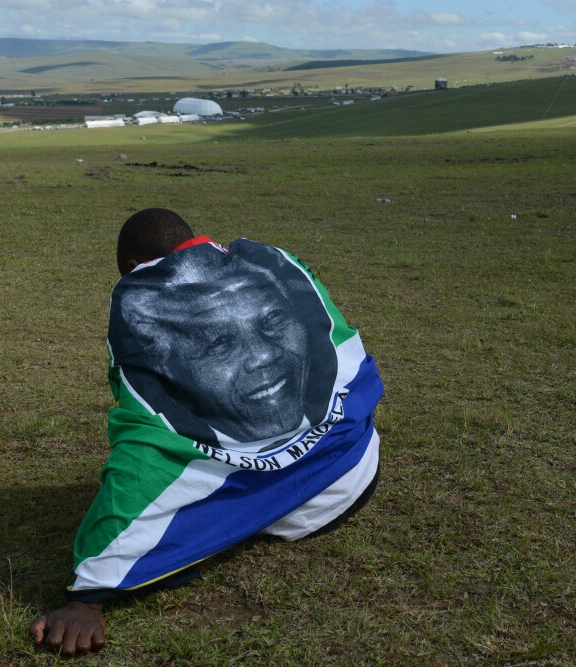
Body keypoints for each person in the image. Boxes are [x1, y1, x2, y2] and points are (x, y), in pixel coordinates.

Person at [30, 208, 383, 655]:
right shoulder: (274, 258)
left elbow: (147, 445)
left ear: (134, 269)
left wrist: (88, 597)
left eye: (271, 324)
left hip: (307, 510)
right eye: (218, 344)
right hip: (354, 473)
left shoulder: (139, 302)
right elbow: (338, 340)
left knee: (179, 470)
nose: (261, 360)